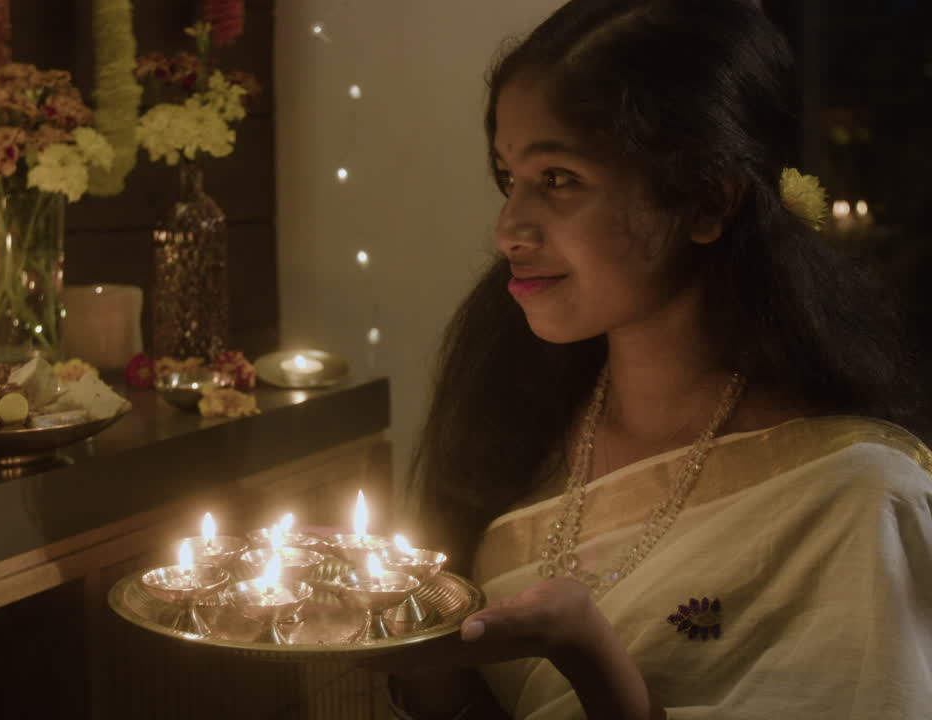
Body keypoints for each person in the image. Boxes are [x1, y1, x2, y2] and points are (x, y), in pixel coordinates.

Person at [388, 0, 932, 718]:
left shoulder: (853, 500)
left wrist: (591, 657)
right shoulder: (516, 417)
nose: (508, 229)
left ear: (706, 204)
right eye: (507, 177)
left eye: (559, 179)